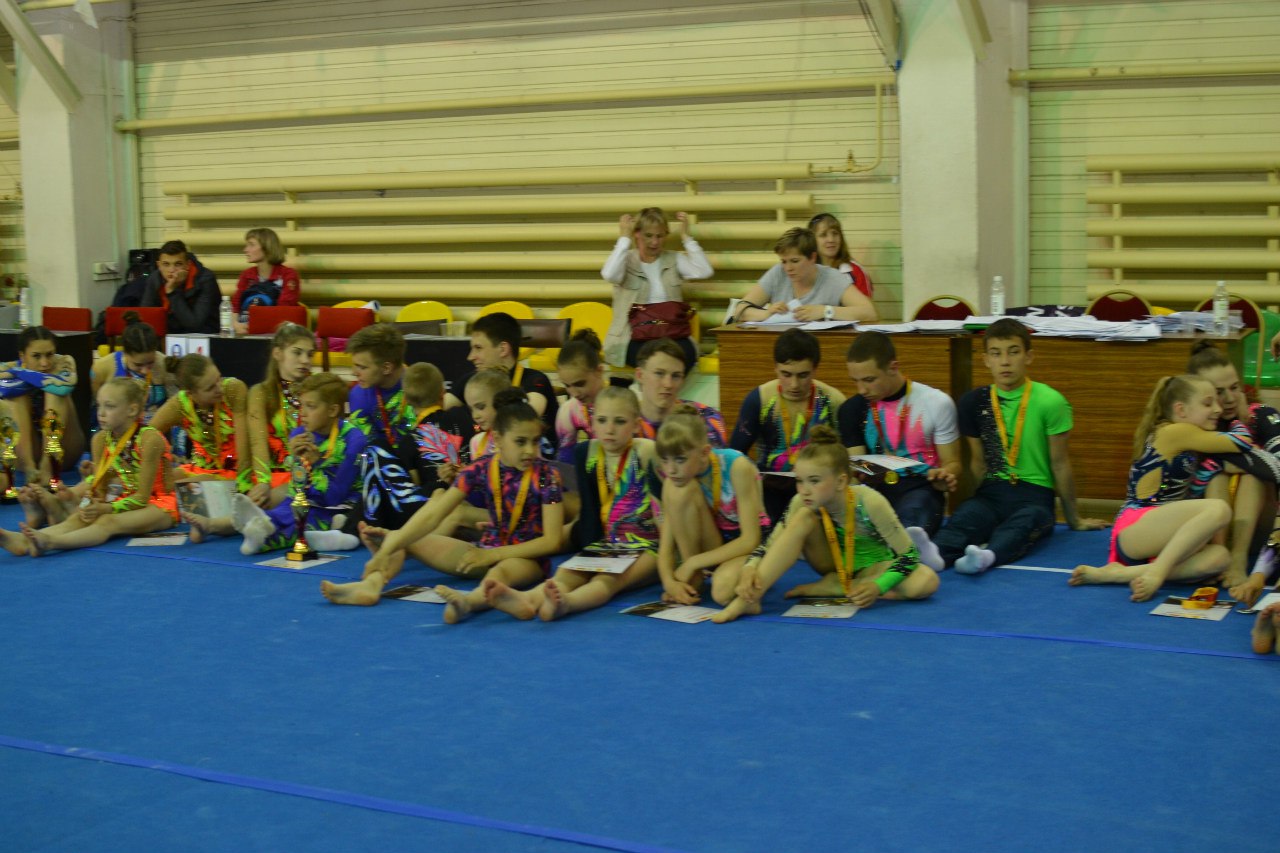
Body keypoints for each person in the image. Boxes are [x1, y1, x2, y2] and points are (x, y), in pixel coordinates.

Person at [320, 388, 565, 616]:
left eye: (535, 441)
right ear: (498, 439)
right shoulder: (479, 469)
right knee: (405, 538)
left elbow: (552, 541)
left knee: (501, 571)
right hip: (484, 549)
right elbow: (434, 513)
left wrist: (493, 555)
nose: (530, 450)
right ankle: (371, 585)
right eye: (520, 442)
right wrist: (389, 547)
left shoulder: (547, 476)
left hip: (526, 558)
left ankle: (469, 602)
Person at [918, 319, 1106, 576]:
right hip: (992, 492)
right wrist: (977, 502)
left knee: (1025, 523)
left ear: (1029, 356)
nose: (1005, 362)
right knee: (966, 517)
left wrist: (1074, 519)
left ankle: (987, 556)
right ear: (986, 360)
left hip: (1035, 496)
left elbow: (1060, 463)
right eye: (996, 354)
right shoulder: (974, 401)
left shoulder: (1051, 401)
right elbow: (977, 463)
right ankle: (936, 555)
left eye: (1013, 352)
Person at [711, 426, 938, 623]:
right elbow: (770, 544)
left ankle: (837, 586)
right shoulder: (801, 501)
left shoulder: (869, 501)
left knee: (926, 582)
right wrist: (750, 567)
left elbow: (909, 555)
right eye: (799, 481)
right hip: (831, 563)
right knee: (803, 517)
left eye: (814, 481)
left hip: (875, 566)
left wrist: (879, 586)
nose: (804, 490)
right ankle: (748, 601)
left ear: (840, 481)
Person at [1068, 374, 1250, 602]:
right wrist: (1239, 417)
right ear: (1180, 410)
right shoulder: (1176, 431)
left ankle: (1120, 574)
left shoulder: (1185, 437)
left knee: (1220, 557)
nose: (1218, 409)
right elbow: (1241, 441)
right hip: (1138, 524)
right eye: (1208, 403)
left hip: (1156, 536)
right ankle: (1157, 573)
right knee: (1218, 509)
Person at [485, 386, 658, 622]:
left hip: (650, 546)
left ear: (636, 424)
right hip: (611, 543)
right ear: (592, 422)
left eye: (620, 421)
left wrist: (671, 565)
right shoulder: (588, 452)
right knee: (568, 571)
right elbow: (589, 512)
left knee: (608, 579)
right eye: (602, 420)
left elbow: (666, 510)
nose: (609, 429)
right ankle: (528, 600)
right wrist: (589, 551)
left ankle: (567, 603)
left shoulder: (646, 452)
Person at [185, 373, 366, 555]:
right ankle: (257, 530)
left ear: (332, 411)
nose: (302, 413)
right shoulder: (300, 435)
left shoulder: (354, 439)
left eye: (311, 406)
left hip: (338, 506)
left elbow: (335, 496)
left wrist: (318, 462)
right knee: (283, 514)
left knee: (302, 520)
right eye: (301, 405)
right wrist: (296, 461)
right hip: (305, 501)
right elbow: (297, 491)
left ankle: (261, 532)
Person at [1, 378, 177, 557]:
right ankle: (22, 541)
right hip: (126, 499)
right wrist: (89, 505)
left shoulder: (150, 439)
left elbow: (142, 497)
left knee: (107, 521)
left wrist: (105, 508)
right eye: (99, 405)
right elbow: (99, 490)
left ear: (132, 410)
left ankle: (51, 542)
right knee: (79, 518)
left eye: (109, 406)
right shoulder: (100, 440)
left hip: (160, 505)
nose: (101, 413)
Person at [838, 331, 960, 536]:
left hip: (921, 487)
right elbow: (856, 470)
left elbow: (953, 463)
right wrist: (857, 473)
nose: (861, 390)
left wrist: (945, 475)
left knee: (910, 521)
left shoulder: (936, 402)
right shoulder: (852, 409)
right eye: (855, 381)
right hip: (875, 487)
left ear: (893, 367)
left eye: (869, 380)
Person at [1187, 340, 1280, 605]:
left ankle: (1237, 558)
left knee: (1252, 475)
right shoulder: (1189, 427)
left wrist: (1242, 436)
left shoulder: (1262, 415)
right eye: (1218, 392)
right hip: (1207, 530)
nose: (1229, 399)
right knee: (1216, 477)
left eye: (1234, 388)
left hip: (1260, 529)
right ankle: (1218, 555)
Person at [655, 404, 767, 607]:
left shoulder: (736, 466)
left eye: (680, 459)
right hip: (716, 544)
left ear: (704, 452)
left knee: (722, 593)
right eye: (665, 460)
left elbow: (751, 540)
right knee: (675, 490)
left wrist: (692, 563)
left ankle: (700, 572)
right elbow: (666, 545)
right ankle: (693, 581)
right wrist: (669, 583)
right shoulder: (676, 480)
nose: (671, 470)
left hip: (746, 548)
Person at [729, 328, 844, 524]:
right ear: (775, 368)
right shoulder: (759, 400)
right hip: (771, 488)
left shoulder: (833, 401)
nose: (794, 384)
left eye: (803, 375)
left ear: (815, 369)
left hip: (818, 488)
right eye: (786, 374)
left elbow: (846, 459)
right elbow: (734, 455)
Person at [601, 207, 713, 370]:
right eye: (648, 235)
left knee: (684, 356)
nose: (655, 242)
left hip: (671, 333)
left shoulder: (674, 258)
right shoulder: (625, 260)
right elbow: (609, 274)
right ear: (637, 233)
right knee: (656, 362)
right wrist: (624, 238)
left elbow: (705, 271)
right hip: (632, 336)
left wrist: (687, 238)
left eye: (660, 236)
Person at [733, 228, 877, 324]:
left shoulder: (832, 278)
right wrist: (767, 314)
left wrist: (825, 311)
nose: (788, 268)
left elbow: (869, 312)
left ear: (812, 258)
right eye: (784, 261)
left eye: (795, 261)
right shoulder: (778, 273)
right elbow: (740, 310)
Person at [0, 325, 85, 490]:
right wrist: (45, 377)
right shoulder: (9, 366)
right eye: (36, 356)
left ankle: (48, 464)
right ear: (22, 355)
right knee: (14, 396)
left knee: (55, 392)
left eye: (49, 354)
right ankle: (29, 466)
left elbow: (64, 387)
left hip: (64, 449)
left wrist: (19, 373)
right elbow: (5, 388)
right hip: (27, 451)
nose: (45, 363)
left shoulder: (65, 361)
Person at [149, 354, 251, 488]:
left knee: (176, 487)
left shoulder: (233, 389)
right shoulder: (179, 404)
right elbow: (146, 436)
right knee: (155, 485)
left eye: (219, 379)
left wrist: (243, 484)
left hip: (237, 469)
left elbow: (244, 446)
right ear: (190, 393)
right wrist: (165, 458)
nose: (219, 388)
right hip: (199, 468)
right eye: (210, 388)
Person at [245, 322, 315, 508]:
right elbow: (258, 441)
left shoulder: (318, 391)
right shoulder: (260, 392)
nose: (305, 360)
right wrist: (263, 481)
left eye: (310, 354)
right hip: (272, 475)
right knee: (261, 499)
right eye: (297, 353)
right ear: (278, 353)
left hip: (311, 472)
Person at [462, 312, 559, 443]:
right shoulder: (473, 379)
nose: (470, 357)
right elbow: (438, 408)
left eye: (478, 348)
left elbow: (524, 420)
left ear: (503, 349)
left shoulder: (535, 379)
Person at [633, 338, 725, 446]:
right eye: (659, 373)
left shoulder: (705, 418)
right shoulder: (623, 421)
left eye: (676, 376)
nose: (668, 384)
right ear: (640, 375)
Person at [89, 312, 173, 424]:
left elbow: (176, 405)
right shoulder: (101, 368)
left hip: (158, 427)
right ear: (125, 353)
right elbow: (97, 410)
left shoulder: (164, 364)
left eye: (150, 363)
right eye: (138, 365)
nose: (145, 371)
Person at [140, 239, 220, 335]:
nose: (171, 270)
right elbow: (146, 316)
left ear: (188, 265)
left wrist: (172, 291)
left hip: (203, 334)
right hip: (169, 333)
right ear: (159, 265)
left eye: (178, 264)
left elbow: (195, 324)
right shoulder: (154, 279)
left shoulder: (206, 279)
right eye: (166, 264)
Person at [231, 228, 301, 335]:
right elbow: (235, 307)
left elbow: (284, 310)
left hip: (277, 333)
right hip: (247, 330)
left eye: (251, 245)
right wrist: (235, 325)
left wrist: (257, 327)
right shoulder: (247, 275)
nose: (245, 250)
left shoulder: (288, 275)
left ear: (267, 247)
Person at [554, 329, 608, 462]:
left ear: (599, 371)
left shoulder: (622, 402)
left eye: (579, 384)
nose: (574, 393)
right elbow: (566, 461)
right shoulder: (571, 409)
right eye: (567, 385)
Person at [809, 213, 873, 298]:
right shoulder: (805, 271)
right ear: (812, 240)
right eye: (823, 235)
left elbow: (866, 306)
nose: (831, 239)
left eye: (835, 233)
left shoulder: (856, 271)